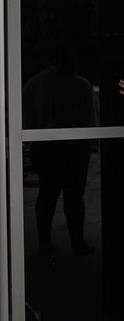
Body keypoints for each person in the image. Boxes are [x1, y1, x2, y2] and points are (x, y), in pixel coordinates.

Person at [23, 48, 97, 256]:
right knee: (74, 197)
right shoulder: (80, 85)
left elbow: (26, 116)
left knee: (47, 195)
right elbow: (89, 118)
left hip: (45, 147)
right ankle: (77, 242)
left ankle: (45, 242)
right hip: (73, 149)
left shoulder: (35, 83)